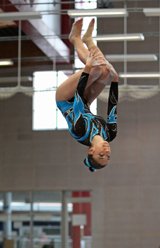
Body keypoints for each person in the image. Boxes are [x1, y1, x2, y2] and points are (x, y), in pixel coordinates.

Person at [56, 18, 118, 172]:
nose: (107, 153)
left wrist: (87, 69)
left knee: (95, 69)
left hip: (67, 99)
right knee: (106, 73)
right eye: (108, 157)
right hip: (85, 103)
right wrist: (115, 80)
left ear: (91, 151)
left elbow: (77, 99)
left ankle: (76, 39)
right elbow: (112, 109)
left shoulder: (80, 131)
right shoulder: (110, 134)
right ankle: (88, 40)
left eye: (101, 155)